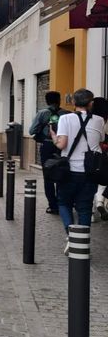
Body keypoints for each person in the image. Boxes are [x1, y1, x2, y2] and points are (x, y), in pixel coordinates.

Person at [52, 89, 104, 237]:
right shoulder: (99, 120)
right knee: (85, 208)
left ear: (74, 103)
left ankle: (71, 235)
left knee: (64, 203)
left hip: (69, 171)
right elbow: (100, 141)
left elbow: (62, 144)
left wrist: (54, 136)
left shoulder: (65, 119)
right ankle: (82, 242)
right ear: (91, 103)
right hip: (91, 171)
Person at [29, 91, 68, 215]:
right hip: (63, 146)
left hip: (47, 145)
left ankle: (53, 206)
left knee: (48, 175)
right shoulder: (66, 114)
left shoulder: (42, 113)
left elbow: (32, 131)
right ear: (59, 100)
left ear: (46, 101)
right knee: (64, 173)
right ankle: (63, 203)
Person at [91, 97, 108, 220]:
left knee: (90, 183)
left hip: (90, 155)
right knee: (103, 180)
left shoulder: (90, 119)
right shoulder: (104, 120)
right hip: (104, 154)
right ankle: (100, 202)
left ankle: (91, 213)